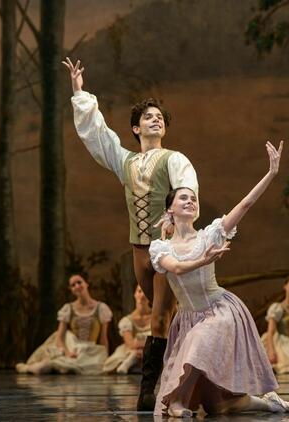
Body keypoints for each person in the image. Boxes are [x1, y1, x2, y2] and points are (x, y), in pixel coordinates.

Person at [62, 57, 198, 410]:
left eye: (159, 117)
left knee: (159, 318)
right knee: (167, 317)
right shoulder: (126, 162)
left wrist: (173, 215)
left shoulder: (174, 159)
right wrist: (80, 94)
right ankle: (187, 376)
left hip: (167, 249)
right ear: (136, 128)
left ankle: (149, 391)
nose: (155, 119)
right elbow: (98, 136)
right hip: (140, 251)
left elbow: (187, 190)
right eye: (148, 117)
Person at [149, 141, 289, 417]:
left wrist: (271, 173)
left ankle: (177, 402)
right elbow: (177, 268)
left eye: (193, 198)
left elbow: (245, 204)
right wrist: (203, 260)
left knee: (198, 343)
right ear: (170, 209)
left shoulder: (210, 235)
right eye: (183, 198)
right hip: (188, 319)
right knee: (217, 406)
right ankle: (269, 403)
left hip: (219, 311)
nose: (190, 201)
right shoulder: (161, 248)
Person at [16, 273, 112, 375]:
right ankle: (29, 368)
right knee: (44, 367)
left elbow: (103, 337)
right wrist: (68, 353)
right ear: (71, 290)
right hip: (72, 348)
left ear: (86, 284)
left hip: (91, 351)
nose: (77, 286)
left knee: (92, 369)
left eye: (79, 282)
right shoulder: (68, 308)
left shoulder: (101, 308)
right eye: (73, 285)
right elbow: (60, 337)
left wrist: (105, 356)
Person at [103, 285, 152, 374]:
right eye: (139, 291)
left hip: (151, 350)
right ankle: (132, 360)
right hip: (132, 350)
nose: (142, 295)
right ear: (135, 294)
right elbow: (130, 343)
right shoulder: (127, 320)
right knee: (128, 354)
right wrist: (140, 346)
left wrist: (143, 346)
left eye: (145, 292)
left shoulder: (156, 319)